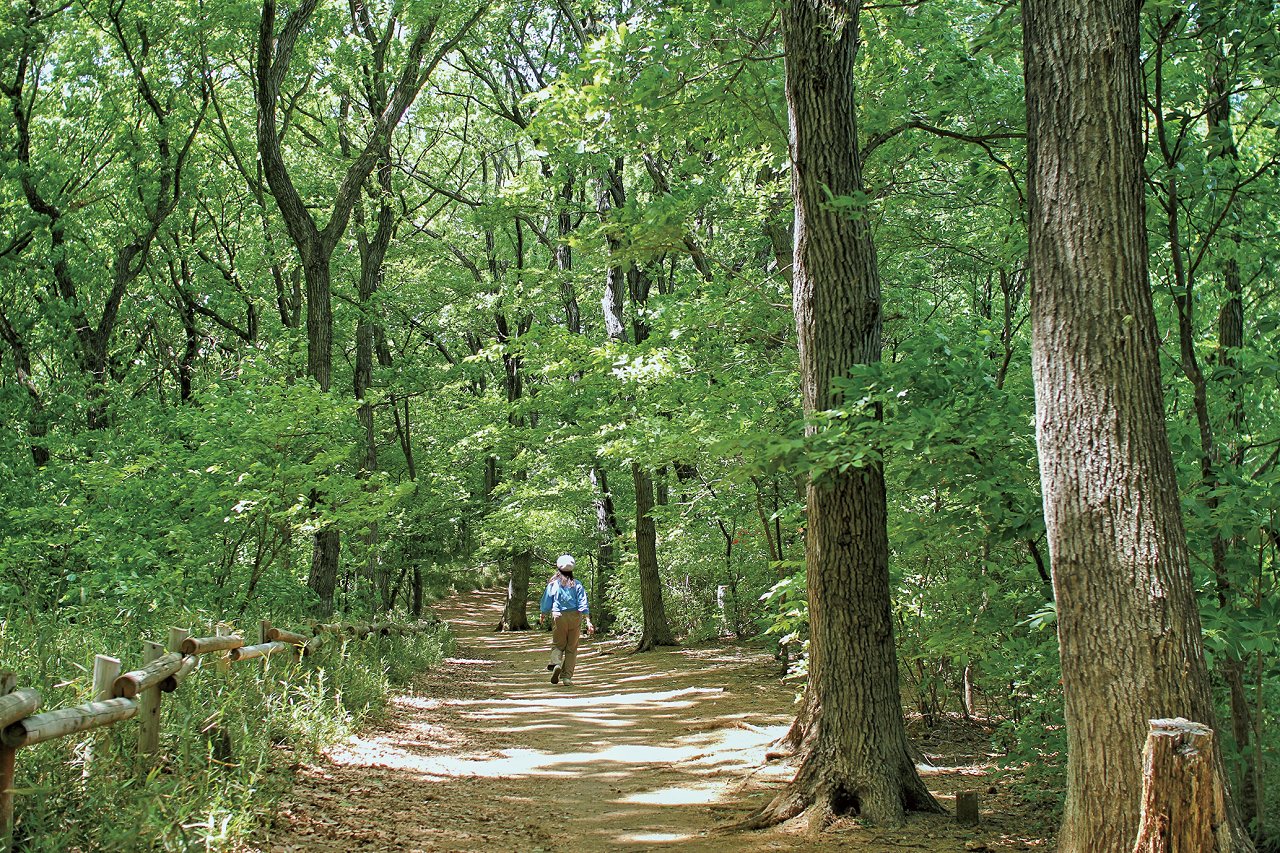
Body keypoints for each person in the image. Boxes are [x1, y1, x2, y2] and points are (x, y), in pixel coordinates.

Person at [539, 554, 593, 685]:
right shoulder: (577, 584)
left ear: (559, 569)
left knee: (558, 645)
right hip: (575, 616)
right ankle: (567, 677)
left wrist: (543, 613)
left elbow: (547, 601)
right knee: (571, 647)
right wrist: (588, 620)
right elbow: (583, 603)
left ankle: (556, 663)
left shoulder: (553, 584)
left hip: (558, 616)